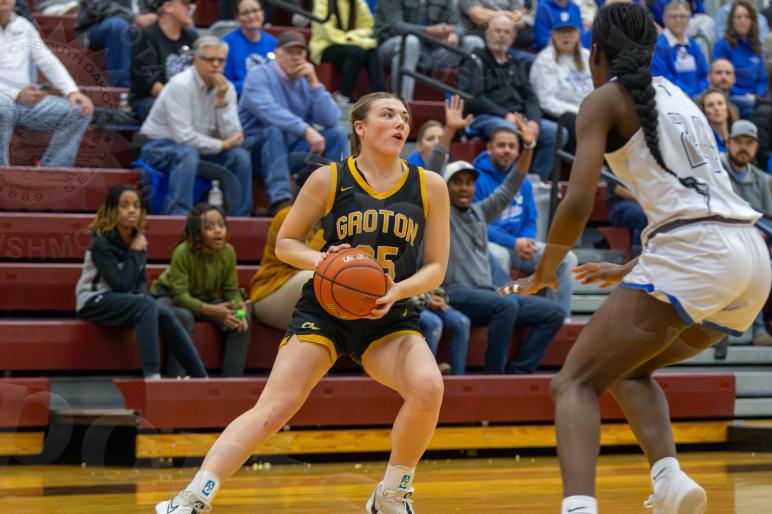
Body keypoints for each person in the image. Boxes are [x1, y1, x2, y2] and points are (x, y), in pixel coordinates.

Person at [514, 4, 770, 514]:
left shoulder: (603, 99)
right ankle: (669, 479)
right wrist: (634, 266)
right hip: (750, 257)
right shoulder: (679, 95)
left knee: (573, 383)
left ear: (595, 53)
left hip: (696, 252)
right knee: (627, 371)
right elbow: (697, 200)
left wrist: (545, 270)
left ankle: (579, 507)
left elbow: (578, 201)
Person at [155, 92, 451, 514]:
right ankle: (193, 497)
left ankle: (391, 494)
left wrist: (398, 291)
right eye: (388, 115)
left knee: (428, 388)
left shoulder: (430, 185)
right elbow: (287, 243)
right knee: (275, 407)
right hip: (326, 311)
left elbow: (437, 266)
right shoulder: (329, 178)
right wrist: (324, 261)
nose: (401, 122)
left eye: (405, 116)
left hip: (387, 312)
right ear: (361, 127)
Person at [442, 122, 565, 375]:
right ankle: (494, 374)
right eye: (457, 183)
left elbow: (513, 184)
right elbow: (433, 167)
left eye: (469, 183)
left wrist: (529, 146)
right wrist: (450, 131)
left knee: (553, 312)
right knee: (506, 304)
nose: (464, 188)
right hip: (455, 293)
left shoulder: (480, 211)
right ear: (445, 187)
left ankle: (520, 370)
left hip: (487, 294)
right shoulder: (439, 213)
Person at [75, 185, 208, 380]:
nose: (132, 210)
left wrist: (142, 294)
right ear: (112, 210)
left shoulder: (136, 238)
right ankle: (152, 376)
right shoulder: (101, 243)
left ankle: (201, 377)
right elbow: (120, 285)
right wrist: (135, 252)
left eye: (136, 206)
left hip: (122, 300)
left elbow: (140, 281)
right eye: (124, 205)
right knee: (146, 305)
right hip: (94, 300)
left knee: (165, 314)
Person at [140, 37, 253, 217]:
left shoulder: (226, 89)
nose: (216, 65)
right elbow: (183, 136)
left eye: (221, 60)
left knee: (240, 157)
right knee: (187, 153)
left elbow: (233, 135)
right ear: (195, 60)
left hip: (201, 149)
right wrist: (221, 145)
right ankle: (178, 216)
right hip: (159, 146)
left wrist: (221, 102)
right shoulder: (180, 85)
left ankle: (240, 218)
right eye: (210, 59)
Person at [239, 30, 348, 216]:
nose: (296, 57)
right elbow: (269, 111)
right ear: (277, 53)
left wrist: (315, 84)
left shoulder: (305, 81)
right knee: (274, 130)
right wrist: (306, 129)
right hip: (256, 150)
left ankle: (333, 198)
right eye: (290, 52)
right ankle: (280, 201)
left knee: (337, 134)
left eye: (300, 52)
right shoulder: (258, 75)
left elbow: (331, 118)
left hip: (291, 149)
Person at [474, 127, 578, 318]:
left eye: (512, 146)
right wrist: (513, 243)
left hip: (519, 245)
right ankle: (504, 315)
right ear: (489, 148)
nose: (507, 150)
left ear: (518, 151)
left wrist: (527, 241)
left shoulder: (524, 182)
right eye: (501, 145)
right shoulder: (476, 179)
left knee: (566, 258)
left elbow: (530, 219)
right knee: (500, 256)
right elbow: (475, 225)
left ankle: (561, 319)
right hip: (489, 244)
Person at [460, 14, 565, 181]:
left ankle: (533, 181)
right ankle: (507, 182)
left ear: (513, 36)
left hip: (518, 117)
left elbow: (530, 97)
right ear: (487, 33)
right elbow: (473, 98)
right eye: (497, 31)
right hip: (485, 116)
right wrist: (505, 115)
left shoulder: (515, 63)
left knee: (556, 132)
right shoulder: (475, 59)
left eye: (506, 32)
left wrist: (533, 121)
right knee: (506, 130)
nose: (502, 35)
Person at [152, 203, 251, 377]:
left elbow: (230, 290)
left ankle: (231, 382)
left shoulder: (228, 252)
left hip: (204, 298)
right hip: (169, 297)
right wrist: (213, 311)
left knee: (241, 321)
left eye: (221, 224)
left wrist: (239, 307)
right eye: (210, 227)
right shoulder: (183, 252)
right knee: (184, 317)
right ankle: (177, 379)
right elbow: (180, 296)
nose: (218, 230)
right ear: (197, 232)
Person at [0, 0, 94, 168]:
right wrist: (15, 93)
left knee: (79, 112)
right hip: (5, 103)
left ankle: (52, 172)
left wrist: (72, 91)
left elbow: (46, 59)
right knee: (3, 107)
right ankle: (3, 172)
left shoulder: (24, 25)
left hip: (24, 104)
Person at [249, 169, 325, 331]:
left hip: (298, 291)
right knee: (317, 278)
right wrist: (328, 223)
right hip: (271, 290)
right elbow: (310, 260)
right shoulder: (287, 215)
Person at [722, 119, 772, 346]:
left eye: (749, 143)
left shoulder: (763, 179)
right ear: (728, 143)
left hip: (755, 243)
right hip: (721, 239)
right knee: (749, 262)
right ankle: (753, 328)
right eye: (739, 142)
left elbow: (768, 220)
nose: (744, 147)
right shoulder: (716, 173)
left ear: (756, 147)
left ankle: (759, 326)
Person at [375, 0, 484, 101]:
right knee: (410, 41)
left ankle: (471, 104)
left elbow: (459, 24)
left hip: (430, 52)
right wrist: (428, 31)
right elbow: (395, 25)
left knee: (474, 42)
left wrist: (455, 33)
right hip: (391, 45)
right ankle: (403, 104)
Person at [529, 6, 593, 154]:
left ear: (578, 33)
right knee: (578, 125)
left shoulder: (588, 56)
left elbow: (599, 89)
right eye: (561, 31)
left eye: (570, 31)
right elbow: (546, 101)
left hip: (590, 112)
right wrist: (579, 112)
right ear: (553, 34)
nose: (566, 36)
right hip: (561, 116)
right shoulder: (545, 60)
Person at [309, 0, 386, 107]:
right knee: (357, 51)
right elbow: (326, 31)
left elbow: (367, 26)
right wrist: (352, 39)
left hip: (351, 43)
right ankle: (343, 97)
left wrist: (353, 38)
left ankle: (382, 96)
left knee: (371, 50)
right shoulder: (323, 1)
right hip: (325, 45)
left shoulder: (358, 2)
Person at [131, 0, 198, 121]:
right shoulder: (146, 37)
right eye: (185, 4)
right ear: (168, 7)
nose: (190, 8)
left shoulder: (192, 38)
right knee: (175, 112)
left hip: (186, 99)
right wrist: (181, 101)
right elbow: (151, 84)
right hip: (151, 99)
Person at [76, 0, 158, 87]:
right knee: (118, 26)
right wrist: (135, 18)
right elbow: (99, 6)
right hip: (97, 28)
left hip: (136, 29)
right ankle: (122, 87)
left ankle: (157, 84)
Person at [712, 0, 767, 118]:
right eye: (738, 17)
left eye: (747, 17)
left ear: (752, 21)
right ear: (732, 21)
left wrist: (757, 95)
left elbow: (761, 79)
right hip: (732, 95)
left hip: (755, 96)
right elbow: (720, 80)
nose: (743, 21)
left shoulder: (756, 46)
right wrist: (745, 94)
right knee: (752, 106)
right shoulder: (723, 46)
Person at [650, 0, 709, 98]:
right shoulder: (658, 46)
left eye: (682, 16)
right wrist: (688, 94)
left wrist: (698, 94)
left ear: (689, 19)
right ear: (664, 19)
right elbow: (663, 77)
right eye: (673, 16)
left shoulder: (693, 45)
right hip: (673, 98)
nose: (678, 20)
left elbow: (703, 73)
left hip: (697, 98)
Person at [222, 0, 277, 96]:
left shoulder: (273, 43)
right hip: (239, 99)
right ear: (237, 18)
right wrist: (253, 86)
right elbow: (224, 83)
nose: (251, 16)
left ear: (263, 13)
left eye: (255, 11)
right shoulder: (227, 43)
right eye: (245, 13)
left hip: (269, 97)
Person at [699, 87, 738, 153]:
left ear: (727, 107)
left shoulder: (739, 134)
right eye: (710, 105)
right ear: (704, 112)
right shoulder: (703, 141)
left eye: (720, 103)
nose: (716, 108)